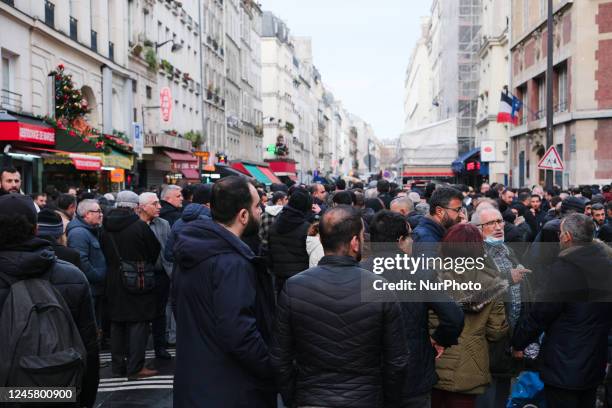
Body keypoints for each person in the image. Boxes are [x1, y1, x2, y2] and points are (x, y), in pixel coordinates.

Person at [271, 206, 409, 408]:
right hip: (365, 398)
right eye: (362, 237)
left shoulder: (294, 287)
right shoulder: (380, 288)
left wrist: (295, 397)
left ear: (321, 239)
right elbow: (397, 362)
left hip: (311, 397)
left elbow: (279, 358)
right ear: (355, 242)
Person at [173, 176, 275, 408]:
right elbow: (239, 332)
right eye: (257, 205)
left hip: (197, 380)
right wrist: (270, 366)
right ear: (243, 215)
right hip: (231, 388)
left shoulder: (193, 250)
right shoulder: (232, 263)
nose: (261, 211)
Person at [0, 194, 99, 407]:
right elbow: (89, 346)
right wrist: (84, 398)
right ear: (36, 229)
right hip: (56, 390)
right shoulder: (72, 276)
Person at [512, 213, 612, 408]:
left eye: (560, 234)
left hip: (563, 362)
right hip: (593, 361)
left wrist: (518, 342)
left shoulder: (564, 269)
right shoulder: (606, 265)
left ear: (567, 237)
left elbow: (541, 314)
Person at [367, 210, 464, 407]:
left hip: (369, 375)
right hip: (413, 372)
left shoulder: (359, 272)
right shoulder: (420, 272)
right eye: (410, 236)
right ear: (400, 240)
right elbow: (453, 316)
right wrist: (439, 340)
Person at [431, 224, 508, 408]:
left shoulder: (431, 275)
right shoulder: (492, 282)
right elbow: (496, 331)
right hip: (470, 366)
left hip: (433, 361)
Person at [471, 207, 532, 408]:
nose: (498, 227)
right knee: (487, 398)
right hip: (487, 343)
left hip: (508, 341)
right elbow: (475, 296)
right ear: (477, 228)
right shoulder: (474, 256)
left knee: (502, 396)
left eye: (499, 222)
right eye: (491, 223)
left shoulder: (507, 250)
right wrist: (508, 278)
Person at [100, 191, 161, 380]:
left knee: (117, 322)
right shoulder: (139, 226)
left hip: (112, 279)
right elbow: (154, 250)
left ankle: (118, 366)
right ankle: (135, 367)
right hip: (137, 280)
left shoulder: (105, 227)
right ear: (135, 206)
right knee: (138, 323)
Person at [138, 192, 173, 360]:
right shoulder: (136, 224)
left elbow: (168, 249)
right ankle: (140, 350)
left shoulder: (164, 224)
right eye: (155, 203)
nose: (160, 207)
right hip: (142, 275)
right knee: (143, 314)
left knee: (160, 313)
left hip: (161, 275)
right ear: (143, 207)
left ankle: (160, 347)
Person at [66, 199, 107, 326]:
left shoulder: (91, 230)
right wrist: (99, 276)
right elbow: (81, 262)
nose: (101, 214)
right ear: (87, 214)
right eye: (98, 211)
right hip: (90, 288)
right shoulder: (79, 233)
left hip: (96, 288)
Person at [268, 188, 312, 295]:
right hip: (302, 282)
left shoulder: (274, 226)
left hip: (280, 281)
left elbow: (269, 253)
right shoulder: (307, 228)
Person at [412, 187, 464, 259]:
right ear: (439, 211)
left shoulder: (435, 232)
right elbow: (430, 269)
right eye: (457, 210)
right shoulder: (427, 239)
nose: (461, 215)